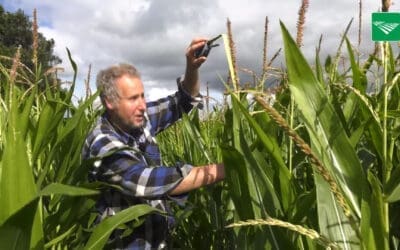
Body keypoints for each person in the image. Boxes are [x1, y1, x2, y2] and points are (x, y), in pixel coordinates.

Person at [82, 37, 225, 249]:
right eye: (133, 99)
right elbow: (146, 181)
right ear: (109, 103)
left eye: (142, 96)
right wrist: (227, 168)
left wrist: (191, 67)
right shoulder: (102, 143)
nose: (142, 105)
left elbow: (182, 101)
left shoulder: (137, 117)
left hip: (158, 239)